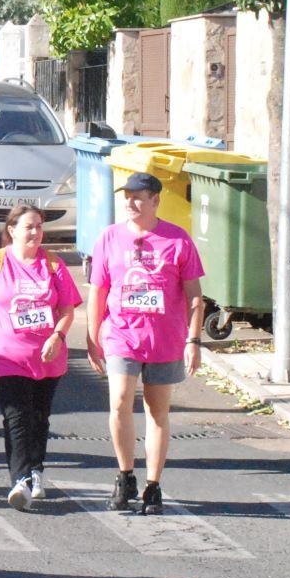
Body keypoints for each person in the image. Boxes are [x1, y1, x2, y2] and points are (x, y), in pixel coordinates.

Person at [86, 175, 205, 516]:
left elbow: (194, 294)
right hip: (122, 334)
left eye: (138, 197)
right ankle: (125, 476)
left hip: (164, 338)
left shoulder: (177, 240)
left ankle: (153, 484)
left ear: (155, 201)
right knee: (120, 402)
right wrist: (93, 337)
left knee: (157, 411)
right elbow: (98, 291)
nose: (130, 203)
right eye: (127, 196)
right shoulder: (109, 237)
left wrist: (193, 340)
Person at [0, 204, 86, 511]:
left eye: (39, 226)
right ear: (12, 230)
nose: (35, 232)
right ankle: (21, 479)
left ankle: (36, 470)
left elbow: (67, 309)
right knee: (17, 416)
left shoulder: (53, 265)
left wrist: (58, 336)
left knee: (39, 416)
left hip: (47, 355)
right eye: (29, 226)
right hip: (5, 354)